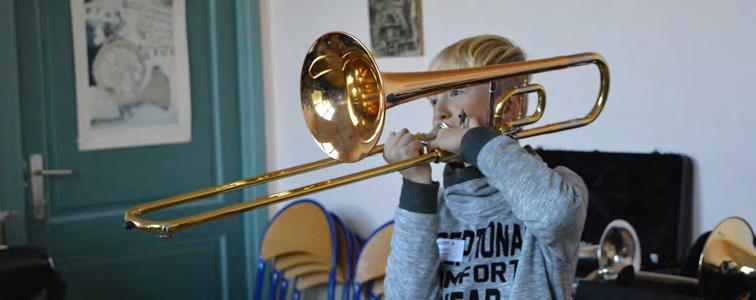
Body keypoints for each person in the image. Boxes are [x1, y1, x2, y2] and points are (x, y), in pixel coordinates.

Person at [383, 35, 589, 299]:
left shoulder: (560, 186)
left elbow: (556, 216)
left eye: (455, 91)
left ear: (510, 108)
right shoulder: (435, 209)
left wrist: (475, 141)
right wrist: (415, 188)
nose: (440, 113)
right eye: (433, 100)